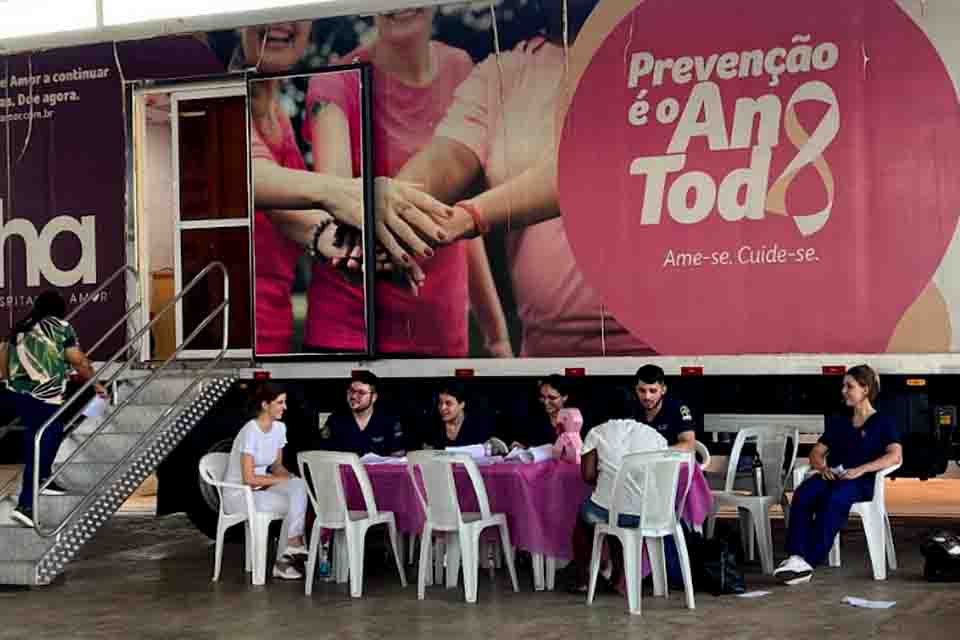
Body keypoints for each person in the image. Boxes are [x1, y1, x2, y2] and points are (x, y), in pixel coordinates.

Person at [360, 0, 652, 357]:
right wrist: (392, 209)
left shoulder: (660, 58)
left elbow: (579, 170)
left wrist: (464, 217)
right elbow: (448, 156)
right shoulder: (505, 72)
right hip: (544, 353)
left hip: (659, 348)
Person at [300, 7, 512, 357]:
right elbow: (334, 198)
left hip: (442, 333)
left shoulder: (460, 69)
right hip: (350, 336)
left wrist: (497, 335)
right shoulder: (335, 81)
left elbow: (457, 219)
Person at [774, 365, 902, 585]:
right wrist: (823, 469)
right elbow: (816, 452)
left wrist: (861, 469)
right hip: (833, 476)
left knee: (834, 501)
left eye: (849, 386)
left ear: (865, 389)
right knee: (803, 494)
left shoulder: (883, 422)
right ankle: (796, 557)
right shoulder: (840, 421)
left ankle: (808, 562)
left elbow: (895, 456)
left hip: (860, 481)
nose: (843, 391)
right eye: (843, 386)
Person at [0, 292, 107, 528]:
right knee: (50, 434)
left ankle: (44, 477)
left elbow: (3, 356)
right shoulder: (60, 326)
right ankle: (26, 504)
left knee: (34, 436)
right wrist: (96, 383)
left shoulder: (21, 326)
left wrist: (12, 380)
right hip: (44, 395)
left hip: (16, 393)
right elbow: (77, 359)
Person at [567, 418, 668, 593]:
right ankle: (619, 578)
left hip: (611, 511)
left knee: (589, 515)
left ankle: (584, 579)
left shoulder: (597, 431)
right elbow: (661, 476)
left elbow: (588, 476)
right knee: (614, 513)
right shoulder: (656, 436)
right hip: (651, 513)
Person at [223, 383, 308, 580]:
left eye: (284, 402)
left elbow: (276, 466)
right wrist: (281, 480)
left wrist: (291, 478)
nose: (284, 407)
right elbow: (249, 478)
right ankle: (288, 553)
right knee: (293, 503)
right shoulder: (250, 431)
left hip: (261, 489)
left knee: (299, 488)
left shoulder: (279, 428)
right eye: (280, 403)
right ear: (264, 405)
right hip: (240, 493)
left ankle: (291, 546)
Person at [320, 371, 405, 457]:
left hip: (381, 470)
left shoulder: (389, 421)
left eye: (361, 393)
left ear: (374, 397)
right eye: (351, 391)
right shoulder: (335, 420)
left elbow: (398, 458)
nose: (353, 396)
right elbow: (324, 456)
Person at [631, 365, 697, 451]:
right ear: (636, 389)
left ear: (663, 390)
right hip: (640, 462)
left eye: (653, 391)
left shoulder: (677, 409)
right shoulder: (631, 410)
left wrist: (658, 452)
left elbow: (689, 445)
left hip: (673, 462)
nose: (647, 396)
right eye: (642, 390)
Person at [424, 382, 493, 450]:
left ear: (462, 405)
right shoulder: (432, 424)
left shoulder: (477, 426)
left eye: (448, 403)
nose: (442, 408)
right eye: (440, 402)